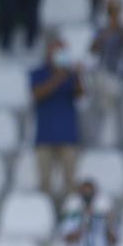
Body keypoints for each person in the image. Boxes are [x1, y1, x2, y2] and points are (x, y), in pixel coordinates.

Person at [30, 36, 82, 198]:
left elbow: (80, 94)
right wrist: (58, 77)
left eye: (63, 51)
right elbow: (37, 94)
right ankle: (44, 214)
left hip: (68, 135)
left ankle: (69, 215)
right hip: (45, 136)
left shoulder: (71, 74)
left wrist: (77, 75)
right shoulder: (38, 72)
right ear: (49, 52)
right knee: (44, 182)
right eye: (58, 50)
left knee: (71, 182)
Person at [89, 0, 123, 151]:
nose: (114, 14)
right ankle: (95, 146)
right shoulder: (102, 29)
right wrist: (108, 31)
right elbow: (93, 49)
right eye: (111, 11)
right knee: (97, 113)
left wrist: (120, 29)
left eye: (116, 10)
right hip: (105, 78)